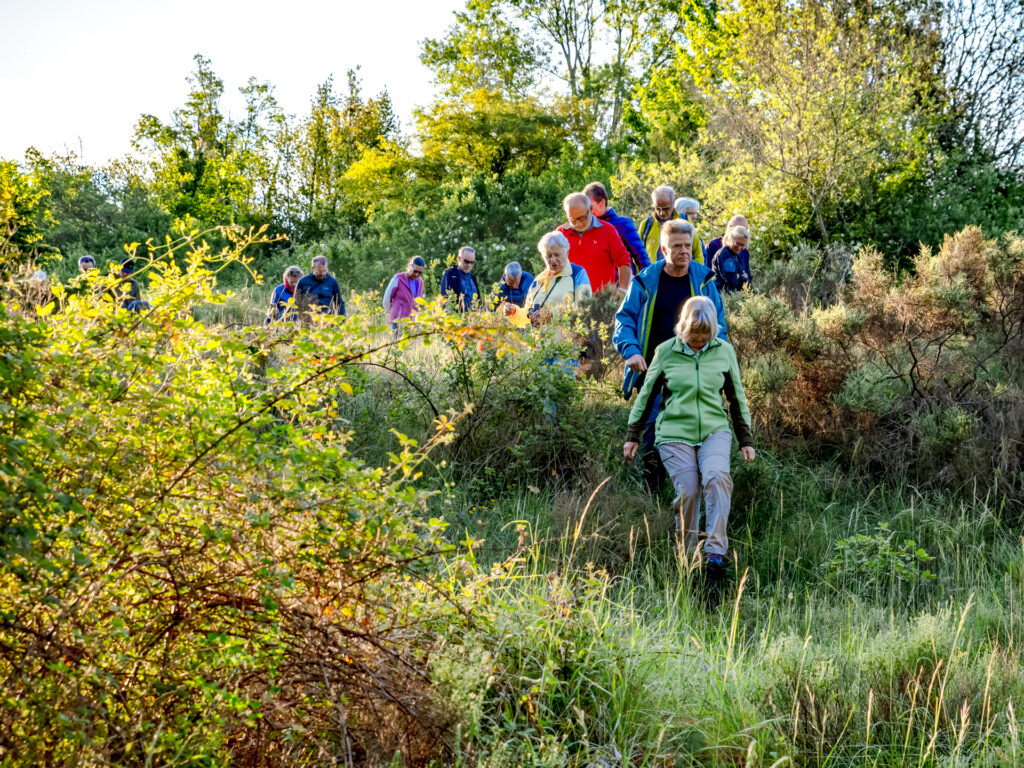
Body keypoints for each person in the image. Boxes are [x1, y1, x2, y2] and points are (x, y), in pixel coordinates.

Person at [623, 295, 755, 575]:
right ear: (683, 327)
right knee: (689, 491)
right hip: (674, 432)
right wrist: (633, 435)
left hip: (713, 430)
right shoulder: (666, 351)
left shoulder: (724, 351)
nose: (699, 340)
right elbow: (646, 396)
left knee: (717, 478)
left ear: (714, 330)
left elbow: (736, 397)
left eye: (705, 334)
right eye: (694, 333)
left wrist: (746, 439)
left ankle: (715, 556)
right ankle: (688, 557)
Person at [614, 219, 727, 495]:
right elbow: (624, 319)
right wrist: (631, 351)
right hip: (654, 371)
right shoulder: (645, 281)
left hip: (694, 371)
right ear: (664, 249)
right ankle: (652, 495)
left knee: (697, 432)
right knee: (654, 430)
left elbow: (720, 325)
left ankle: (690, 493)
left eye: (687, 245)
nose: (683, 251)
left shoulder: (704, 281)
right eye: (677, 246)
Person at [502, 231, 592, 328]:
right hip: (539, 338)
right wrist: (513, 312)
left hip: (568, 337)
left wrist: (550, 314)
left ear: (566, 252)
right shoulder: (538, 281)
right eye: (548, 256)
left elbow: (584, 308)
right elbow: (527, 318)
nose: (553, 260)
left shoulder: (578, 273)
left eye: (557, 255)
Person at [557, 192, 631, 293]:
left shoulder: (608, 231)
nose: (577, 223)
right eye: (572, 219)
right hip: (569, 298)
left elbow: (624, 261)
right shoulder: (559, 234)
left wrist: (622, 288)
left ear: (591, 209)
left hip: (602, 298)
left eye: (582, 218)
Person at [584, 181, 649, 274]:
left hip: (623, 280)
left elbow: (641, 256)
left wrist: (646, 279)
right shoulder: (586, 227)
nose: (587, 212)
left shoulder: (623, 224)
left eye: (590, 207)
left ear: (602, 203)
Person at [640, 186, 678, 265]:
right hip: (652, 271)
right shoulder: (646, 225)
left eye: (666, 208)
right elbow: (637, 254)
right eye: (657, 208)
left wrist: (696, 271)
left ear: (673, 203)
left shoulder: (684, 221)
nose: (661, 213)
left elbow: (698, 252)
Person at [383, 256, 426, 324]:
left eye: (420, 273)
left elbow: (417, 305)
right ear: (410, 266)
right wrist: (390, 315)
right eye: (415, 271)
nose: (417, 274)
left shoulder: (420, 283)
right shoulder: (398, 279)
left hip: (411, 324)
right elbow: (386, 300)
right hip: (396, 322)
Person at [710, 226, 752, 293]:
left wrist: (739, 276)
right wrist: (742, 277)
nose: (739, 247)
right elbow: (732, 281)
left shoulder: (734, 254)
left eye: (743, 245)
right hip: (721, 295)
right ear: (729, 239)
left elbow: (748, 283)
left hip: (731, 295)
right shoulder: (724, 254)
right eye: (737, 243)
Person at [441, 246, 481, 312]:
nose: (469, 265)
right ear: (459, 258)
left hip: (473, 317)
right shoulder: (450, 275)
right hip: (457, 316)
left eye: (472, 262)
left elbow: (478, 300)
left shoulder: (472, 278)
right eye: (466, 261)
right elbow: (445, 299)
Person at [673, 197, 708, 265]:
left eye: (695, 213)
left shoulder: (695, 235)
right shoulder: (673, 234)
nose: (694, 217)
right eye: (690, 213)